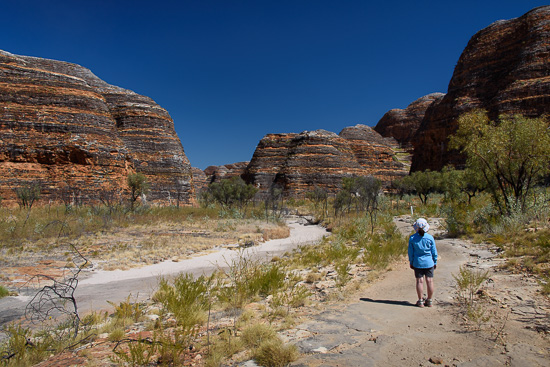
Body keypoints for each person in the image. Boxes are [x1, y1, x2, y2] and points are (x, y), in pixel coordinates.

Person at [408, 218, 437, 307]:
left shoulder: (412, 238)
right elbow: (434, 252)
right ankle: (429, 300)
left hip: (417, 262)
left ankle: (420, 300)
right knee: (430, 281)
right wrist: (434, 261)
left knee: (419, 281)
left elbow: (410, 252)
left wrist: (411, 262)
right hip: (429, 262)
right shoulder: (430, 238)